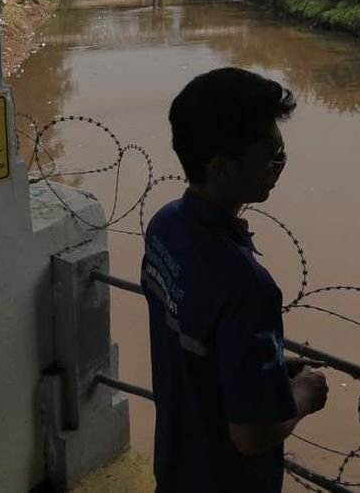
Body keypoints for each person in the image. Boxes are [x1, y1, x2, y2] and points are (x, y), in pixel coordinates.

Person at [141, 67, 329, 493]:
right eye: (271, 158)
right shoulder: (247, 285)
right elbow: (252, 435)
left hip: (176, 461)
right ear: (221, 168)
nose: (279, 168)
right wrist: (303, 395)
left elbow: (195, 339)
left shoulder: (165, 226)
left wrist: (267, 368)